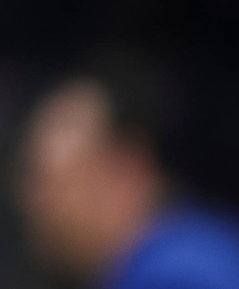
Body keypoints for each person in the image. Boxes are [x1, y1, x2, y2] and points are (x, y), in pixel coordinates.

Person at [20, 60, 239, 289]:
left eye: (53, 183)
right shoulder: (204, 248)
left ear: (127, 166)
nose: (33, 204)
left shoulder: (173, 277)